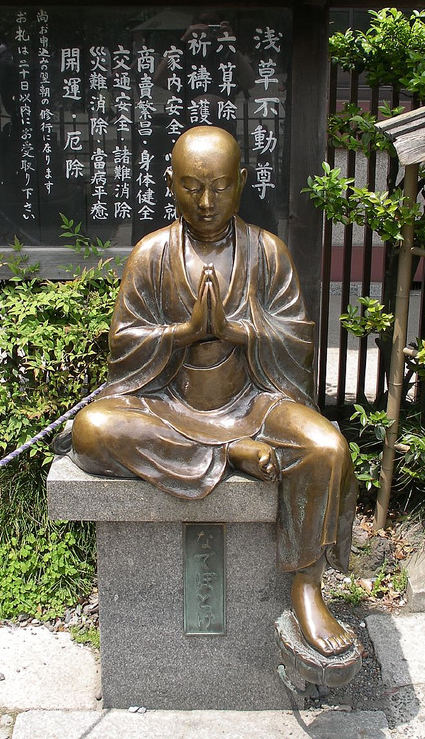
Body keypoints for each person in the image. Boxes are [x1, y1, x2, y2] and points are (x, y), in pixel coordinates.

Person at [69, 126, 358, 657]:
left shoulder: (267, 253)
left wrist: (237, 331)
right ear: (169, 184)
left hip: (255, 402)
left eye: (221, 187)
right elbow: (125, 346)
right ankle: (227, 455)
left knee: (326, 447)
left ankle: (307, 585)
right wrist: (182, 334)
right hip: (169, 405)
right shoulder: (151, 254)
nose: (206, 202)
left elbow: (297, 341)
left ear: (243, 183)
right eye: (191, 187)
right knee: (91, 430)